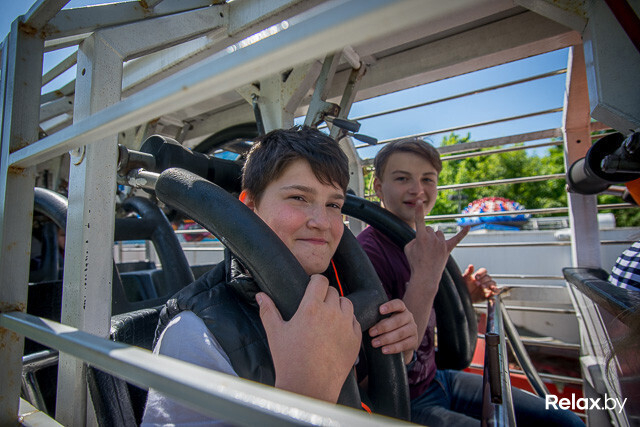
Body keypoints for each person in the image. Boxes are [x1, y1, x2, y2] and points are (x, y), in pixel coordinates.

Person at [142, 127, 418, 425]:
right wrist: (304, 396)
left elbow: (358, 401)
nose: (322, 222)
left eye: (333, 205)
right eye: (299, 197)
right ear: (250, 207)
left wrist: (394, 355)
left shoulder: (338, 291)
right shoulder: (193, 333)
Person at [357, 138, 584, 426]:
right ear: (378, 187)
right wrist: (426, 277)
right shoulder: (368, 253)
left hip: (435, 378)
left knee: (567, 422)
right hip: (403, 401)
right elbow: (389, 358)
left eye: (427, 179)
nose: (418, 190)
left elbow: (418, 305)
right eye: (402, 178)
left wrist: (461, 295)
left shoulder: (417, 241)